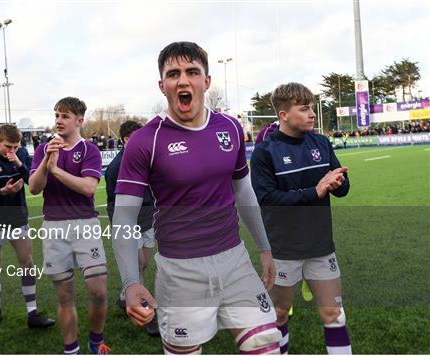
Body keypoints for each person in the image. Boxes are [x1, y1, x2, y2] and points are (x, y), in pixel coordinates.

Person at [112, 41, 281, 354]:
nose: (183, 80)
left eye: (192, 71)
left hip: (235, 261)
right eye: (173, 74)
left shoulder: (229, 127)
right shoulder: (145, 140)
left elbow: (243, 191)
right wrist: (130, 282)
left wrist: (265, 247)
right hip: (180, 272)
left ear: (207, 81)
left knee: (265, 343)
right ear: (162, 85)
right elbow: (123, 216)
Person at [250, 82, 351, 355]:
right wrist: (315, 191)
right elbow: (268, 200)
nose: (312, 114)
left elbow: (341, 188)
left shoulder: (321, 142)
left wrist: (338, 182)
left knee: (333, 313)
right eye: (304, 109)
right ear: (283, 115)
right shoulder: (264, 153)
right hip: (284, 249)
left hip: (320, 246)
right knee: (279, 313)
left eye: (312, 108)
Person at [29, 97, 110, 355]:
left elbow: (88, 187)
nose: (59, 121)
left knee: (98, 292)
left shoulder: (90, 151)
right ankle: (71, 349)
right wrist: (46, 162)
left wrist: (56, 171)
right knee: (65, 297)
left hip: (84, 224)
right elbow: (33, 187)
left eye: (64, 116)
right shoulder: (45, 149)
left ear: (79, 120)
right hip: (54, 227)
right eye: (56, 115)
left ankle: (95, 340)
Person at [0, 124, 55, 331]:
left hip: (17, 218)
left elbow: (32, 182)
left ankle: (32, 313)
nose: (12, 150)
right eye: (8, 146)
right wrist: (2, 191)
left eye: (16, 146)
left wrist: (20, 163)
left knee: (27, 263)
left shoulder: (20, 155)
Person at [104, 120, 159, 336]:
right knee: (139, 263)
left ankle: (123, 294)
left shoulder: (147, 159)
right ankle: (146, 313)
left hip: (148, 217)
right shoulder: (117, 166)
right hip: (130, 221)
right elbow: (113, 203)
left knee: (143, 263)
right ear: (127, 139)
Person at [254, 121, 314, 308]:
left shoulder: (303, 132)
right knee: (281, 251)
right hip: (278, 207)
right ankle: (283, 297)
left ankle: (308, 277)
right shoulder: (265, 136)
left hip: (303, 202)